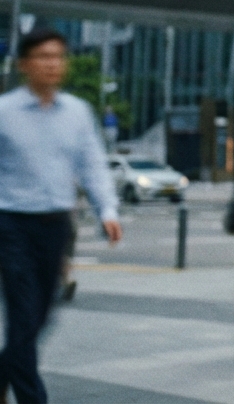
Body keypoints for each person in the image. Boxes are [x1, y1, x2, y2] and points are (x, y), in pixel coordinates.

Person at [0, 27, 121, 404]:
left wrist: (108, 209)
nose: (53, 64)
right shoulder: (4, 112)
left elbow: (93, 164)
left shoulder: (78, 112)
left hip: (56, 227)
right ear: (24, 65)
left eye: (58, 56)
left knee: (39, 318)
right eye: (43, 57)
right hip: (11, 224)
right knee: (23, 318)